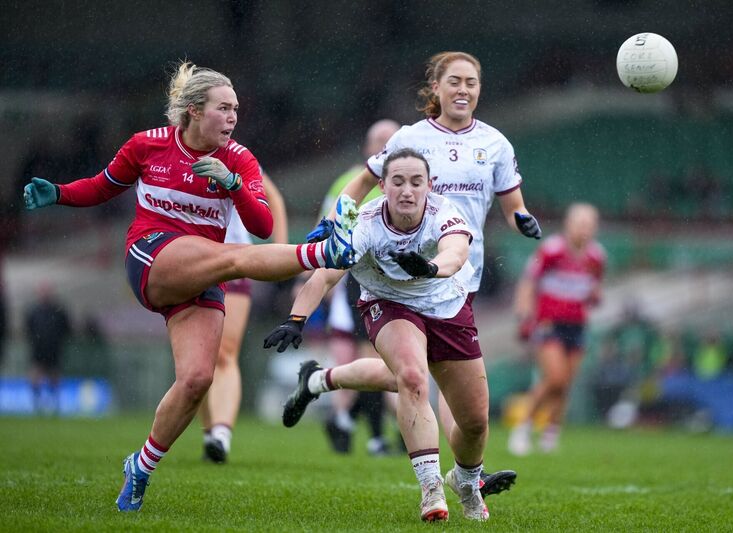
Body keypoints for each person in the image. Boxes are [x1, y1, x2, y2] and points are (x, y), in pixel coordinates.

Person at [21, 61, 359, 512]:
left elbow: (261, 223)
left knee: (198, 378)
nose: (234, 118)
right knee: (228, 259)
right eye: (225, 108)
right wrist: (59, 193)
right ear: (195, 111)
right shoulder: (146, 145)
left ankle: (140, 467)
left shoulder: (238, 158)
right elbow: (103, 187)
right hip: (151, 256)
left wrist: (235, 185)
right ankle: (322, 254)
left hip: (201, 271)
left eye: (236, 109)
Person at [305, 50, 540, 491]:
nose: (463, 90)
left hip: (457, 275)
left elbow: (513, 206)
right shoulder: (413, 139)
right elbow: (363, 181)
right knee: (421, 374)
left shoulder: (495, 144)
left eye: (471, 82)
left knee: (421, 375)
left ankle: (321, 379)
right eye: (454, 81)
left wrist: (522, 219)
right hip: (397, 278)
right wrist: (340, 221)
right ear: (436, 88)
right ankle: (464, 475)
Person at [266, 149, 489, 521]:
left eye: (416, 182)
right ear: (382, 185)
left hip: (447, 305)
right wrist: (297, 319)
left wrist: (431, 267)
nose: (407, 190)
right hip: (389, 305)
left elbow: (457, 253)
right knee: (413, 377)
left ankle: (466, 482)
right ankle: (432, 487)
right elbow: (325, 274)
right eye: (398, 181)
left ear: (429, 186)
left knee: (475, 420)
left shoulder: (443, 211)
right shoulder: (364, 224)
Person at [317, 119, 400, 455]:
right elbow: (328, 228)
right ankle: (371, 433)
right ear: (367, 148)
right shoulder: (349, 182)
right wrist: (313, 281)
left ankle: (346, 422)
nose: (384, 146)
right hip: (358, 282)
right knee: (369, 361)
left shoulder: (409, 181)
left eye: (391, 140)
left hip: (398, 285)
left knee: (378, 364)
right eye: (378, 140)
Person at [200, 170, 288, 464]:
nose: (227, 122)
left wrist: (281, 246)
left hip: (234, 259)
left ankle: (221, 435)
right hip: (190, 263)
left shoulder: (237, 157)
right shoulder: (169, 152)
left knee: (225, 352)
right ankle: (209, 430)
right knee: (198, 359)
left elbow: (272, 196)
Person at [509, 203, 605, 455]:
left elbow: (594, 288)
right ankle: (524, 426)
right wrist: (523, 314)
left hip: (577, 325)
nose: (584, 230)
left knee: (565, 384)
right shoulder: (552, 250)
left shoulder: (596, 257)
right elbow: (529, 282)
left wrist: (594, 295)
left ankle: (551, 433)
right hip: (549, 323)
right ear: (568, 225)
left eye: (589, 225)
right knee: (555, 377)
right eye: (579, 224)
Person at [25, 283, 72, 414]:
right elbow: (28, 330)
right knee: (35, 377)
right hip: (38, 351)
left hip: (54, 350)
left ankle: (55, 405)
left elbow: (67, 330)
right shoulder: (33, 312)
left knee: (54, 378)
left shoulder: (58, 311)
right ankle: (37, 404)